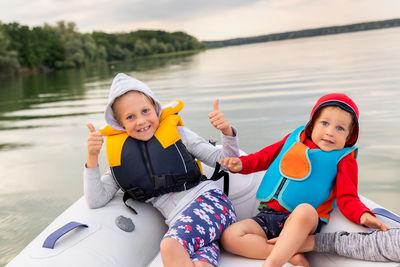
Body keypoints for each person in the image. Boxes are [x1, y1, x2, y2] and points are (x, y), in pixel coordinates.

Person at [84, 73, 239, 267]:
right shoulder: (121, 157)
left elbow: (226, 162)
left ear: (156, 109)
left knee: (169, 246)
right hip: (189, 226)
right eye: (130, 117)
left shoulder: (179, 135)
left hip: (211, 206)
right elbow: (95, 200)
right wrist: (92, 156)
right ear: (120, 124)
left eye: (145, 111)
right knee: (200, 263)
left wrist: (226, 132)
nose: (141, 121)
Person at [219, 93, 390, 267]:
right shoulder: (293, 139)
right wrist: (241, 164)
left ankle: (272, 263)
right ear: (312, 124)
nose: (330, 132)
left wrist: (363, 214)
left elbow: (348, 197)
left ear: (349, 136)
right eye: (324, 123)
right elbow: (265, 157)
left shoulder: (345, 159)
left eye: (340, 128)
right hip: (268, 216)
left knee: (304, 210)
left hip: (303, 222)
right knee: (230, 237)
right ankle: (290, 254)